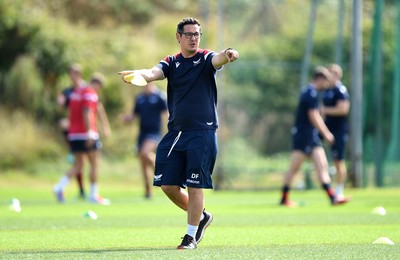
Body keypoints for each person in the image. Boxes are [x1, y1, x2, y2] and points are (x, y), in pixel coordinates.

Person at [118, 17, 239, 250]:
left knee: (195, 186)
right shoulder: (171, 62)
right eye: (189, 34)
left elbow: (220, 57)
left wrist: (230, 53)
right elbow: (153, 72)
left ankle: (190, 236)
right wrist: (139, 74)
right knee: (168, 186)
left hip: (202, 132)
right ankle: (202, 216)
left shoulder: (205, 58)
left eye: (197, 34)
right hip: (175, 134)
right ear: (179, 37)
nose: (193, 38)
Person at [279, 66, 350, 207]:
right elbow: (314, 116)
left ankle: (332, 197)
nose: (326, 85)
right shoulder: (310, 93)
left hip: (309, 136)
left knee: (322, 165)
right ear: (320, 79)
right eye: (326, 81)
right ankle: (284, 198)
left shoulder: (309, 92)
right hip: (305, 136)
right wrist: (326, 133)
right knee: (294, 168)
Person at [54, 73, 110, 205]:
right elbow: (87, 111)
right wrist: (90, 131)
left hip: (74, 134)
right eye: (99, 88)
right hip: (87, 133)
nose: (98, 91)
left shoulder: (75, 92)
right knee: (95, 163)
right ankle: (93, 195)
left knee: (79, 165)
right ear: (96, 84)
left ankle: (59, 187)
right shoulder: (90, 93)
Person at [123, 82, 168, 199]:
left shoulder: (159, 96)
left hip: (154, 133)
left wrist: (170, 129)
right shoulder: (140, 98)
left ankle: (161, 173)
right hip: (142, 133)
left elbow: (166, 114)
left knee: (145, 153)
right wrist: (127, 118)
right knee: (143, 162)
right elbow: (135, 114)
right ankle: (148, 191)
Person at [57, 64, 86, 198]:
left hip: (86, 130)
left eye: (73, 73)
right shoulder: (68, 91)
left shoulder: (86, 89)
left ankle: (81, 190)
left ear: (79, 74)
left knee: (80, 162)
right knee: (79, 162)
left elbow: (95, 107)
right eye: (70, 74)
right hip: (76, 132)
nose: (71, 76)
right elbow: (61, 107)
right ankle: (84, 191)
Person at [321, 64, 350, 198]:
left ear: (337, 75)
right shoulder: (326, 90)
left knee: (338, 161)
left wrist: (325, 110)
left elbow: (343, 109)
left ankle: (339, 190)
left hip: (338, 131)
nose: (328, 77)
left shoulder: (340, 90)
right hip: (327, 128)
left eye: (330, 73)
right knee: (314, 152)